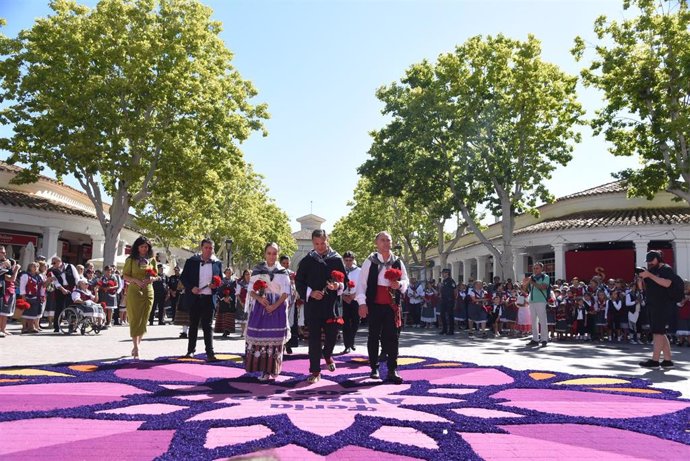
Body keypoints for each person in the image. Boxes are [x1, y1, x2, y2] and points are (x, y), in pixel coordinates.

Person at [355, 231, 409, 384]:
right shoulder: (370, 261)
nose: (386, 243)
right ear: (376, 243)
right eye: (382, 240)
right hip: (374, 305)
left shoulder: (397, 261)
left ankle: (392, 369)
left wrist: (398, 284)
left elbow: (405, 281)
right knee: (373, 337)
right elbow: (361, 285)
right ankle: (374, 368)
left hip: (392, 306)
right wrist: (362, 303)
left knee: (392, 338)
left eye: (388, 240)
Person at [295, 229, 346, 384]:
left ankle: (328, 354)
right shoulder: (307, 261)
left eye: (323, 243)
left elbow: (345, 279)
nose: (320, 247)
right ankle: (315, 371)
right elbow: (299, 282)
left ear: (327, 240)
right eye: (316, 244)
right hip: (314, 307)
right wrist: (310, 293)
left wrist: (337, 285)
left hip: (332, 307)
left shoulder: (337, 259)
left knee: (332, 337)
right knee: (314, 340)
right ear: (313, 243)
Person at [244, 243, 291, 381]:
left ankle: (274, 368)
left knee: (275, 338)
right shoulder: (258, 270)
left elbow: (285, 293)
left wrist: (274, 306)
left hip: (277, 307)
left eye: (274, 253)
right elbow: (250, 290)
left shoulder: (282, 271)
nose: (272, 256)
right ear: (265, 254)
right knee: (260, 336)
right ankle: (263, 370)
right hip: (261, 307)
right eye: (269, 253)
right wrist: (259, 298)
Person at [181, 238, 223, 362]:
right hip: (195, 298)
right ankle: (190, 351)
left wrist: (216, 285)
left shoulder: (217, 263)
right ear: (201, 248)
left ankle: (210, 353)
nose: (209, 250)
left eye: (211, 248)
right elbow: (184, 278)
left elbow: (219, 279)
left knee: (208, 326)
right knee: (193, 325)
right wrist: (191, 288)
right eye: (206, 248)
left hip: (209, 298)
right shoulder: (192, 261)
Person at [122, 236, 159, 359]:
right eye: (142, 246)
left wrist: (152, 278)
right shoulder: (131, 260)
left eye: (146, 246)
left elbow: (156, 275)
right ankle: (136, 347)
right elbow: (125, 276)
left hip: (148, 291)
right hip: (134, 291)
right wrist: (136, 281)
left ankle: (137, 344)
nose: (144, 248)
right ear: (137, 247)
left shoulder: (152, 260)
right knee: (134, 318)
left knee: (144, 319)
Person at [638, 250, 676, 368]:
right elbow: (643, 288)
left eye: (651, 260)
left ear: (658, 258)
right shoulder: (652, 270)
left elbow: (667, 283)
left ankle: (655, 361)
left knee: (657, 333)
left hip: (663, 305)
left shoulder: (666, 269)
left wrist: (649, 275)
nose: (649, 263)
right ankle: (667, 360)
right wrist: (641, 279)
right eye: (648, 261)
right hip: (653, 304)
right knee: (660, 332)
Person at [522, 262, 550, 347]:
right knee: (533, 321)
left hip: (541, 301)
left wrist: (532, 282)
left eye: (537, 268)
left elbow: (543, 287)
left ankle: (544, 339)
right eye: (534, 268)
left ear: (541, 269)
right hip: (532, 301)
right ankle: (535, 339)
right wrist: (525, 283)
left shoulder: (545, 277)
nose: (535, 270)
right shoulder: (532, 277)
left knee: (542, 320)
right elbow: (524, 289)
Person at [49, 256, 79, 333]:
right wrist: (62, 289)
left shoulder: (70, 266)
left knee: (72, 308)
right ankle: (56, 327)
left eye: (54, 263)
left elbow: (76, 278)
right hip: (60, 290)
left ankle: (72, 326)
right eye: (52, 263)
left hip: (72, 288)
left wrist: (76, 289)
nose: (53, 264)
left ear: (59, 261)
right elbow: (56, 282)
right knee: (59, 308)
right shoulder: (53, 271)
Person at [341, 251, 361, 353]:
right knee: (345, 323)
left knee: (356, 321)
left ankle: (351, 340)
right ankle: (347, 345)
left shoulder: (359, 271)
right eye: (346, 260)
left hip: (355, 299)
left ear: (353, 260)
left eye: (350, 260)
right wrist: (343, 295)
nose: (348, 262)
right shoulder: (341, 270)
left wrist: (355, 294)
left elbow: (362, 285)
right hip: (344, 299)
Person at [19, 262, 45, 334]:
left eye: (37, 266)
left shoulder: (39, 276)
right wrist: (23, 296)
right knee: (25, 313)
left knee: (33, 313)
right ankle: (24, 328)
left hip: (36, 297)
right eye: (33, 266)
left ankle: (31, 327)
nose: (35, 267)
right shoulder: (25, 275)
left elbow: (42, 287)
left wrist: (42, 295)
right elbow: (22, 286)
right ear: (30, 267)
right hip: (27, 296)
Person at [281, 255, 299, 354]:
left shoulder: (292, 274)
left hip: (291, 301)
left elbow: (297, 286)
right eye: (284, 263)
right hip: (280, 301)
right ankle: (281, 344)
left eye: (287, 263)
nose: (286, 265)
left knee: (290, 322)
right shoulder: (278, 273)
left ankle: (289, 344)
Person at [214, 267, 237, 337]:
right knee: (223, 315)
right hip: (223, 301)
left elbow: (235, 291)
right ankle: (223, 330)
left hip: (230, 301)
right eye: (227, 272)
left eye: (230, 272)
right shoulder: (221, 281)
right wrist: (223, 298)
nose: (228, 274)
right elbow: (218, 291)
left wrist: (229, 297)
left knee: (229, 315)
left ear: (232, 273)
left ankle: (228, 329)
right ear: (225, 273)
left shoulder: (234, 281)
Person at [438, 269, 457, 335]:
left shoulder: (451, 281)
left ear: (447, 273)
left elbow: (455, 291)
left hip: (450, 300)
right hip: (443, 300)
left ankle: (451, 330)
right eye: (442, 273)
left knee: (450, 315)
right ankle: (444, 329)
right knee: (442, 314)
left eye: (443, 273)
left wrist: (454, 300)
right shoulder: (443, 281)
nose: (442, 274)